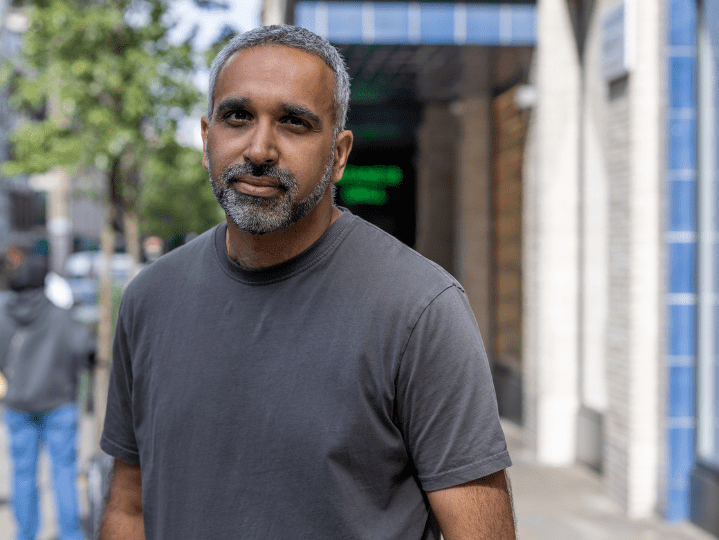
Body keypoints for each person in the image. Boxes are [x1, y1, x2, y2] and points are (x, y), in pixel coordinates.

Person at [99, 25, 515, 540]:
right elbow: (128, 509)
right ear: (207, 139)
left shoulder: (421, 310)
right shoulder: (149, 300)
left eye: (294, 122)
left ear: (338, 155)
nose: (259, 149)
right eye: (237, 116)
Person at [0, 247, 95, 540]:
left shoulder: (4, 315)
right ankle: (70, 534)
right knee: (64, 472)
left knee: (23, 474)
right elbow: (84, 349)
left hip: (18, 405)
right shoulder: (59, 316)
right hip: (59, 403)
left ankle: (25, 534)